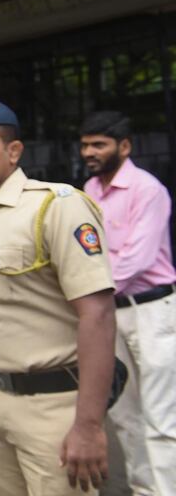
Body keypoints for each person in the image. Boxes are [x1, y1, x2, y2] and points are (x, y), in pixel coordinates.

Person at [0, 96, 117, 495]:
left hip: (50, 404)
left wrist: (88, 425)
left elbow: (98, 315)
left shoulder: (56, 208)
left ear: (13, 151)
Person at [80, 111, 176, 496]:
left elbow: (136, 260)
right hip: (111, 313)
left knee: (162, 418)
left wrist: (84, 296)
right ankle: (143, 490)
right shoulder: (89, 188)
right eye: (86, 144)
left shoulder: (147, 189)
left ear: (124, 146)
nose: (89, 151)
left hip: (153, 312)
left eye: (98, 144)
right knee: (125, 415)